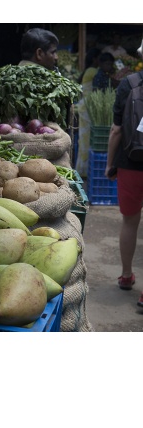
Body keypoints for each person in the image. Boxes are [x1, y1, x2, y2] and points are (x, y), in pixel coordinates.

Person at [104, 45, 143, 306]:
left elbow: (116, 130)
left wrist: (110, 164)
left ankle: (127, 275)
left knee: (130, 222)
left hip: (131, 162)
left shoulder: (128, 84)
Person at [75, 48, 102, 177]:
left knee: (84, 139)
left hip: (84, 107)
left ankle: (82, 169)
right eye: (100, 58)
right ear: (94, 59)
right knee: (86, 140)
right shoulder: (93, 71)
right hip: (87, 108)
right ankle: (83, 171)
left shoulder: (88, 70)